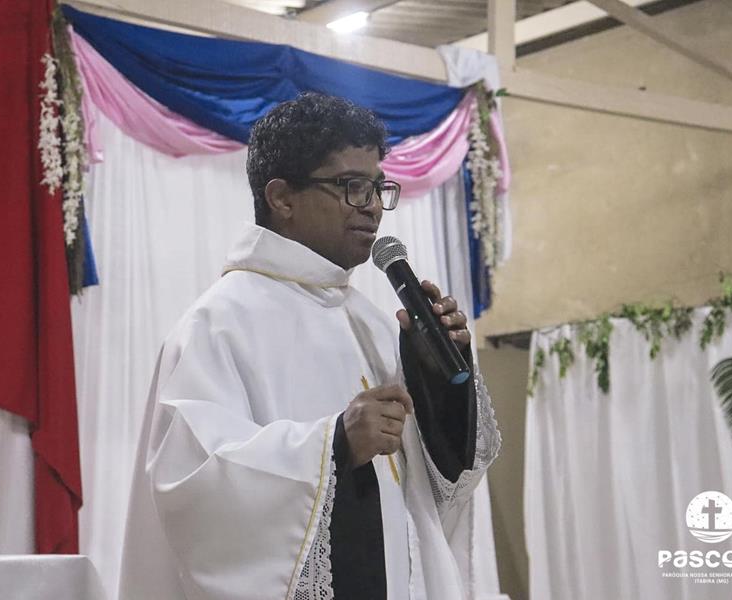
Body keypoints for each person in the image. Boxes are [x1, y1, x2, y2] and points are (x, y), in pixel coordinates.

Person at [118, 93, 500, 600]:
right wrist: (335, 443)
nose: (372, 206)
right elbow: (193, 485)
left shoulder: (373, 321)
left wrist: (438, 383)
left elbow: (433, 491)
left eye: (378, 187)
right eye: (351, 186)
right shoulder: (217, 325)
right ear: (282, 198)